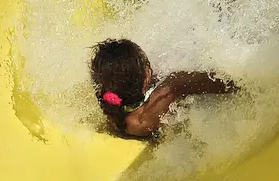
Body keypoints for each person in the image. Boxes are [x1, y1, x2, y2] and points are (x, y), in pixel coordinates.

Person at [90, 39, 237, 138]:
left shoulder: (105, 97)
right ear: (147, 77)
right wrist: (241, 81)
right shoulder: (143, 119)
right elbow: (178, 82)